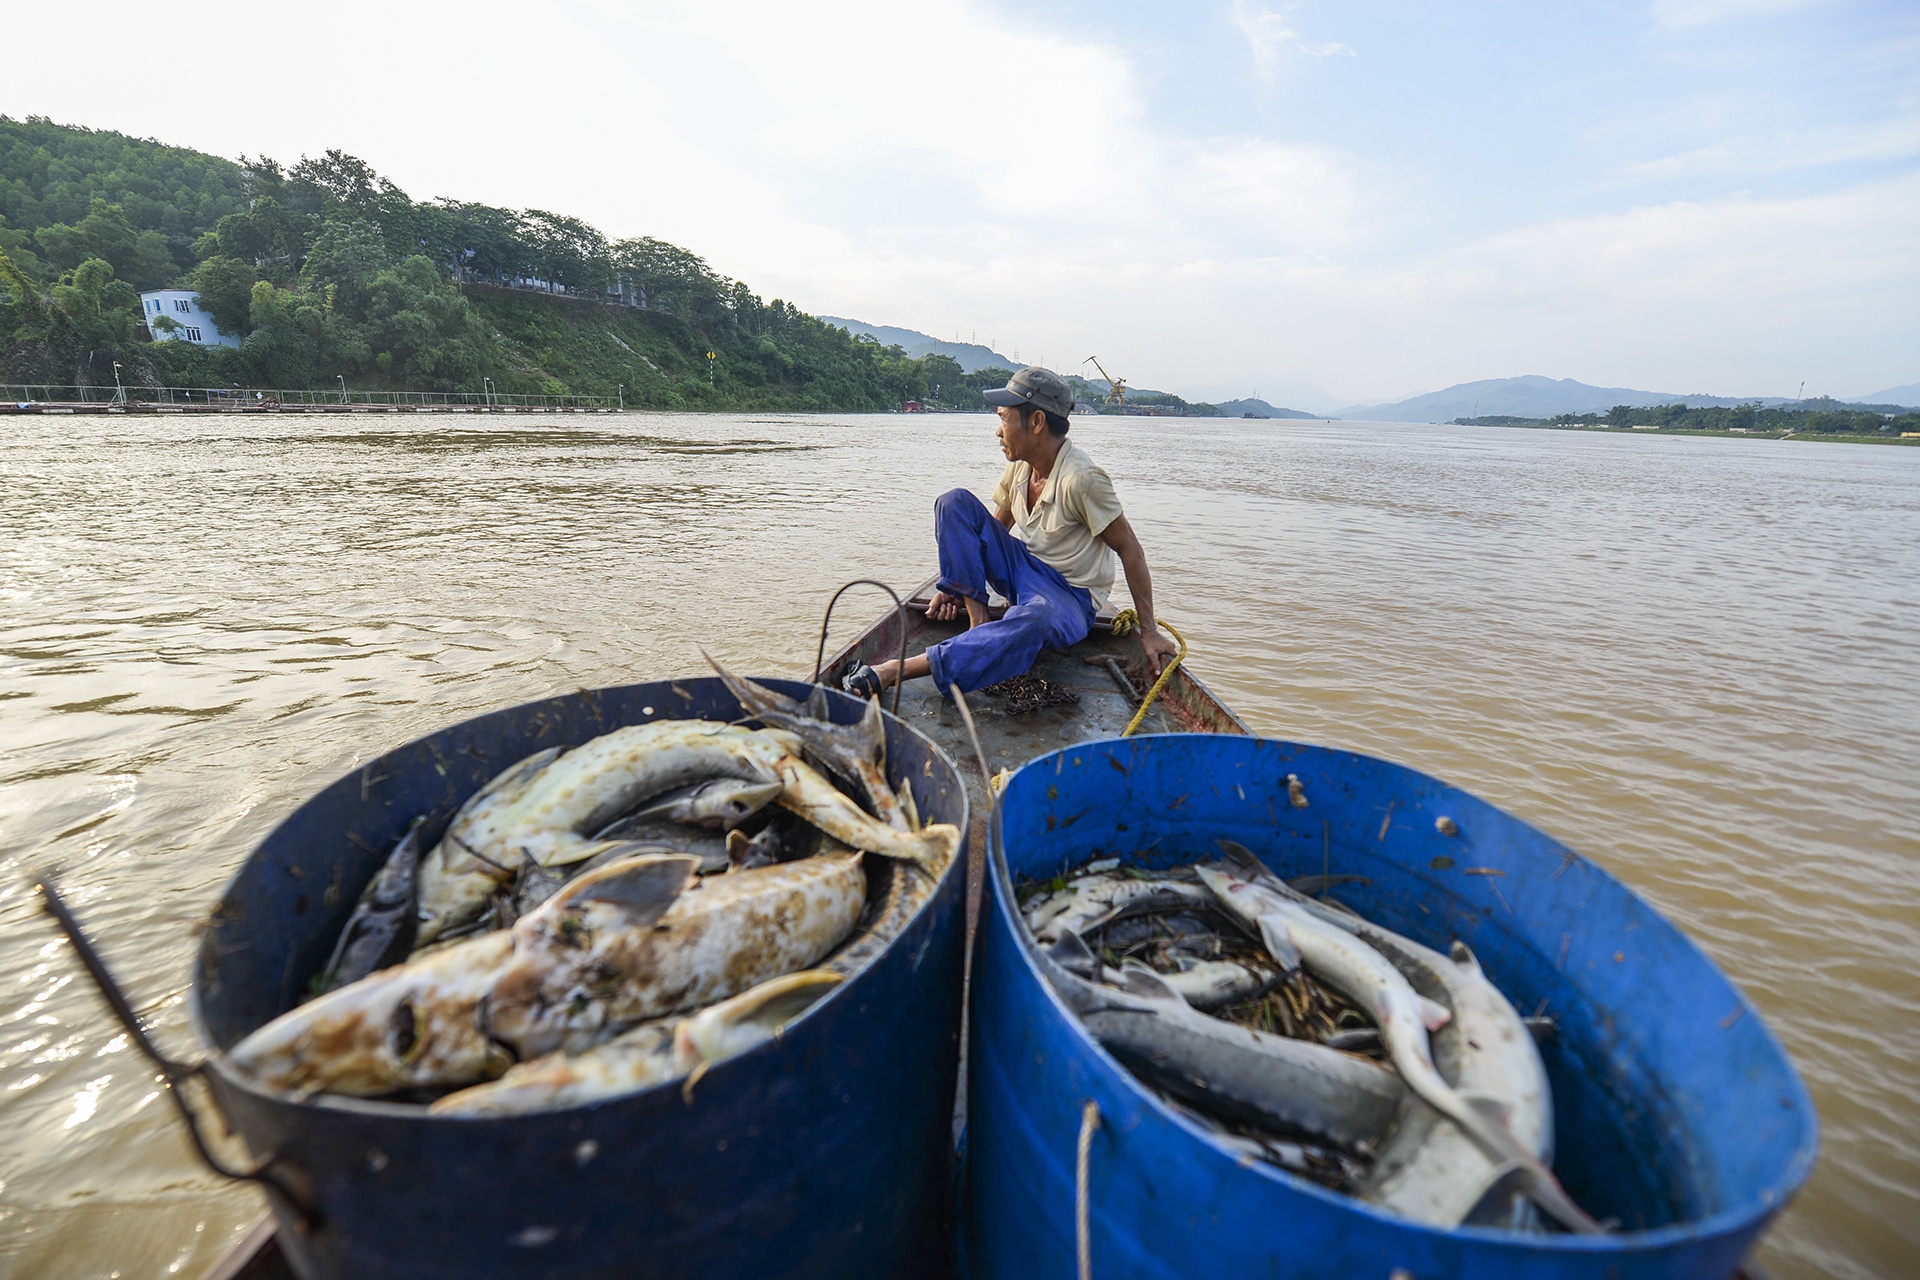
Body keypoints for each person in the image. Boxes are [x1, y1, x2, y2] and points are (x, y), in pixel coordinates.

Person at [843, 366, 1177, 699]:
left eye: (1004, 418)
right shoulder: (1020, 467)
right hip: (1022, 569)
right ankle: (979, 624)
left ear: (1036, 422)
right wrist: (957, 584)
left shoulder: (1083, 479)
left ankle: (894, 670)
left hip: (1069, 597)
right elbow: (991, 530)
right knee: (954, 503)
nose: (998, 432)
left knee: (1036, 617)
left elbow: (1130, 550)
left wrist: (1148, 630)